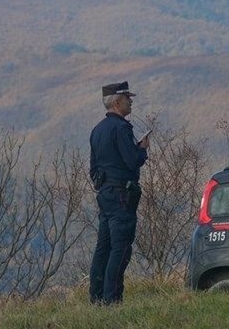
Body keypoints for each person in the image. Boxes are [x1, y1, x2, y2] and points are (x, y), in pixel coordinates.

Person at [88, 81, 149, 305]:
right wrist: (142, 150)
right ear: (117, 102)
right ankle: (112, 300)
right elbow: (132, 162)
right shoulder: (122, 129)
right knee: (120, 247)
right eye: (127, 98)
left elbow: (93, 169)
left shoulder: (97, 131)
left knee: (103, 247)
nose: (131, 101)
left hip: (104, 195)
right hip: (122, 195)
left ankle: (96, 298)